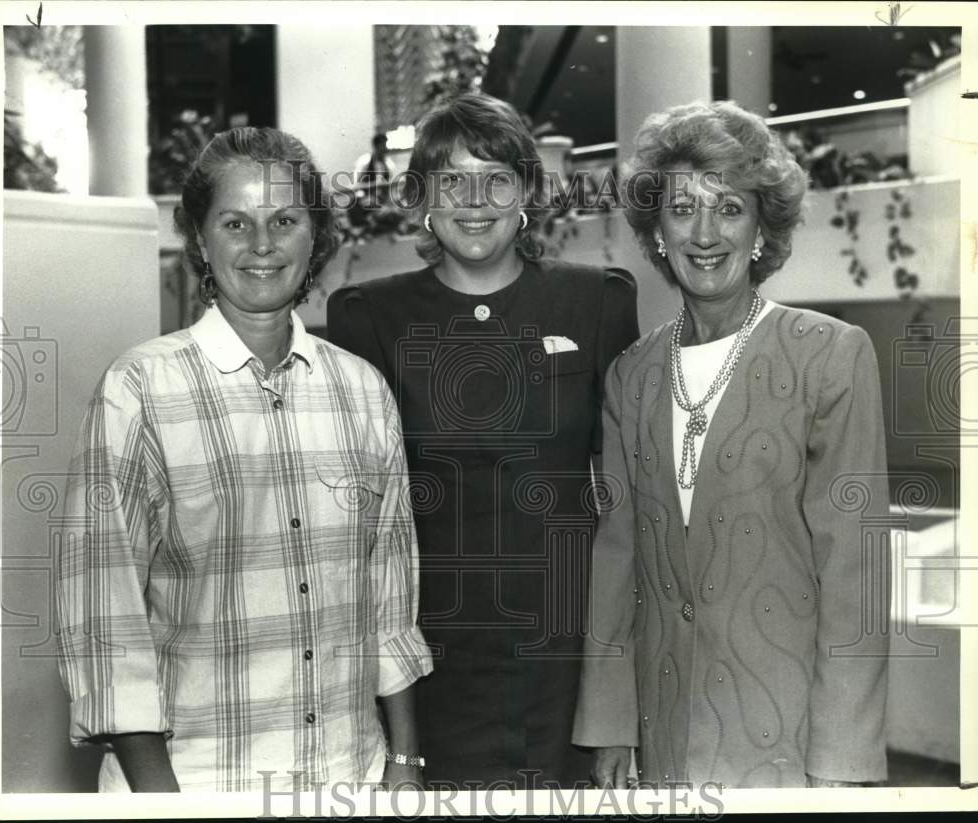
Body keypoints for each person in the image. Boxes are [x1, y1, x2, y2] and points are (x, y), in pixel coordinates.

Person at [54, 127, 432, 793]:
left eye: (285, 220)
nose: (262, 245)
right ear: (201, 238)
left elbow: (390, 600)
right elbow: (104, 623)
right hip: (195, 785)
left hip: (352, 776)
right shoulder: (139, 390)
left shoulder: (364, 391)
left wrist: (403, 761)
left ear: (316, 237)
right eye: (236, 222)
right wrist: (163, 802)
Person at [573, 101, 890, 789]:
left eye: (730, 208)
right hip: (662, 732)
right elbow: (616, 560)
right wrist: (610, 725)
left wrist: (840, 761)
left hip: (788, 741)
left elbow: (854, 577)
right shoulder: (631, 374)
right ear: (656, 232)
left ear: (760, 229)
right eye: (683, 208)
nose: (705, 232)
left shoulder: (830, 355)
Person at [327, 92, 639, 789]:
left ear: (527, 191)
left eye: (497, 177)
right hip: (428, 664)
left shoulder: (598, 303)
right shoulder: (367, 317)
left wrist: (621, 693)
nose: (476, 199)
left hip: (568, 657)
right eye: (451, 180)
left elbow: (625, 506)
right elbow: (360, 524)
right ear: (421, 198)